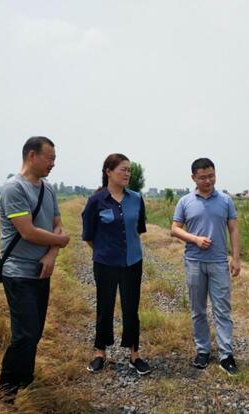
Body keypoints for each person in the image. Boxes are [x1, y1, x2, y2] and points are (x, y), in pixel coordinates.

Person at [0, 136, 70, 403]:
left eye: (54, 159)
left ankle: (25, 379)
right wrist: (60, 242)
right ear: (31, 155)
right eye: (49, 158)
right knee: (24, 334)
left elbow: (57, 225)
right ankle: (6, 393)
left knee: (35, 331)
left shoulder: (48, 189)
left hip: (42, 271)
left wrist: (52, 254)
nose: (53, 164)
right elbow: (27, 232)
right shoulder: (14, 189)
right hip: (18, 272)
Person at [81, 153, 151, 375]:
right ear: (108, 171)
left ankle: (134, 354)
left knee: (131, 309)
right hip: (105, 263)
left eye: (129, 170)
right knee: (105, 307)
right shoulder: (96, 201)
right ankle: (100, 352)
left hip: (132, 263)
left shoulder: (136, 199)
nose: (127, 173)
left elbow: (138, 229)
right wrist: (104, 252)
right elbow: (89, 236)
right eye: (123, 169)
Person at [171, 158, 241, 375]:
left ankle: (226, 354)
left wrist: (236, 258)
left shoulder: (226, 201)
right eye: (203, 177)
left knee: (222, 309)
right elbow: (175, 228)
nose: (208, 180)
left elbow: (234, 230)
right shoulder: (185, 202)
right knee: (198, 309)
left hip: (219, 262)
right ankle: (202, 351)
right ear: (194, 178)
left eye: (211, 175)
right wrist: (194, 239)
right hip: (194, 262)